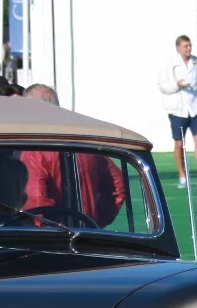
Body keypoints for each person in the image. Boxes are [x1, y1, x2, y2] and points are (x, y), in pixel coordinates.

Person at [18, 83, 128, 225]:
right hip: (86, 232)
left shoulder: (35, 153)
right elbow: (119, 185)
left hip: (53, 235)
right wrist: (95, 222)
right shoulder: (85, 144)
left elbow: (37, 206)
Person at [158, 35, 197, 187]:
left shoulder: (196, 62)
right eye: (185, 46)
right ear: (178, 48)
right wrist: (177, 85)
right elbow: (162, 86)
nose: (189, 48)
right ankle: (182, 176)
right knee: (179, 144)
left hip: (196, 107)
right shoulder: (170, 64)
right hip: (178, 110)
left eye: (190, 45)